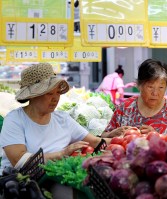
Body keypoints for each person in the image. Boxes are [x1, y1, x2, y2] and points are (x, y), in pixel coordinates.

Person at [0, 63, 109, 198]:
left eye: (58, 92)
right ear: (34, 95)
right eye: (49, 93)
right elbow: (19, 160)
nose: (56, 98)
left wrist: (130, 138)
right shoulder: (15, 119)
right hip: (19, 186)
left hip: (57, 181)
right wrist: (62, 153)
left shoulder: (63, 119)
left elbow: (96, 142)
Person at [101, 59, 167, 138]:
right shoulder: (125, 108)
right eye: (150, 87)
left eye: (161, 87)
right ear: (139, 85)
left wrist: (157, 137)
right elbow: (102, 137)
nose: (155, 93)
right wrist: (110, 134)